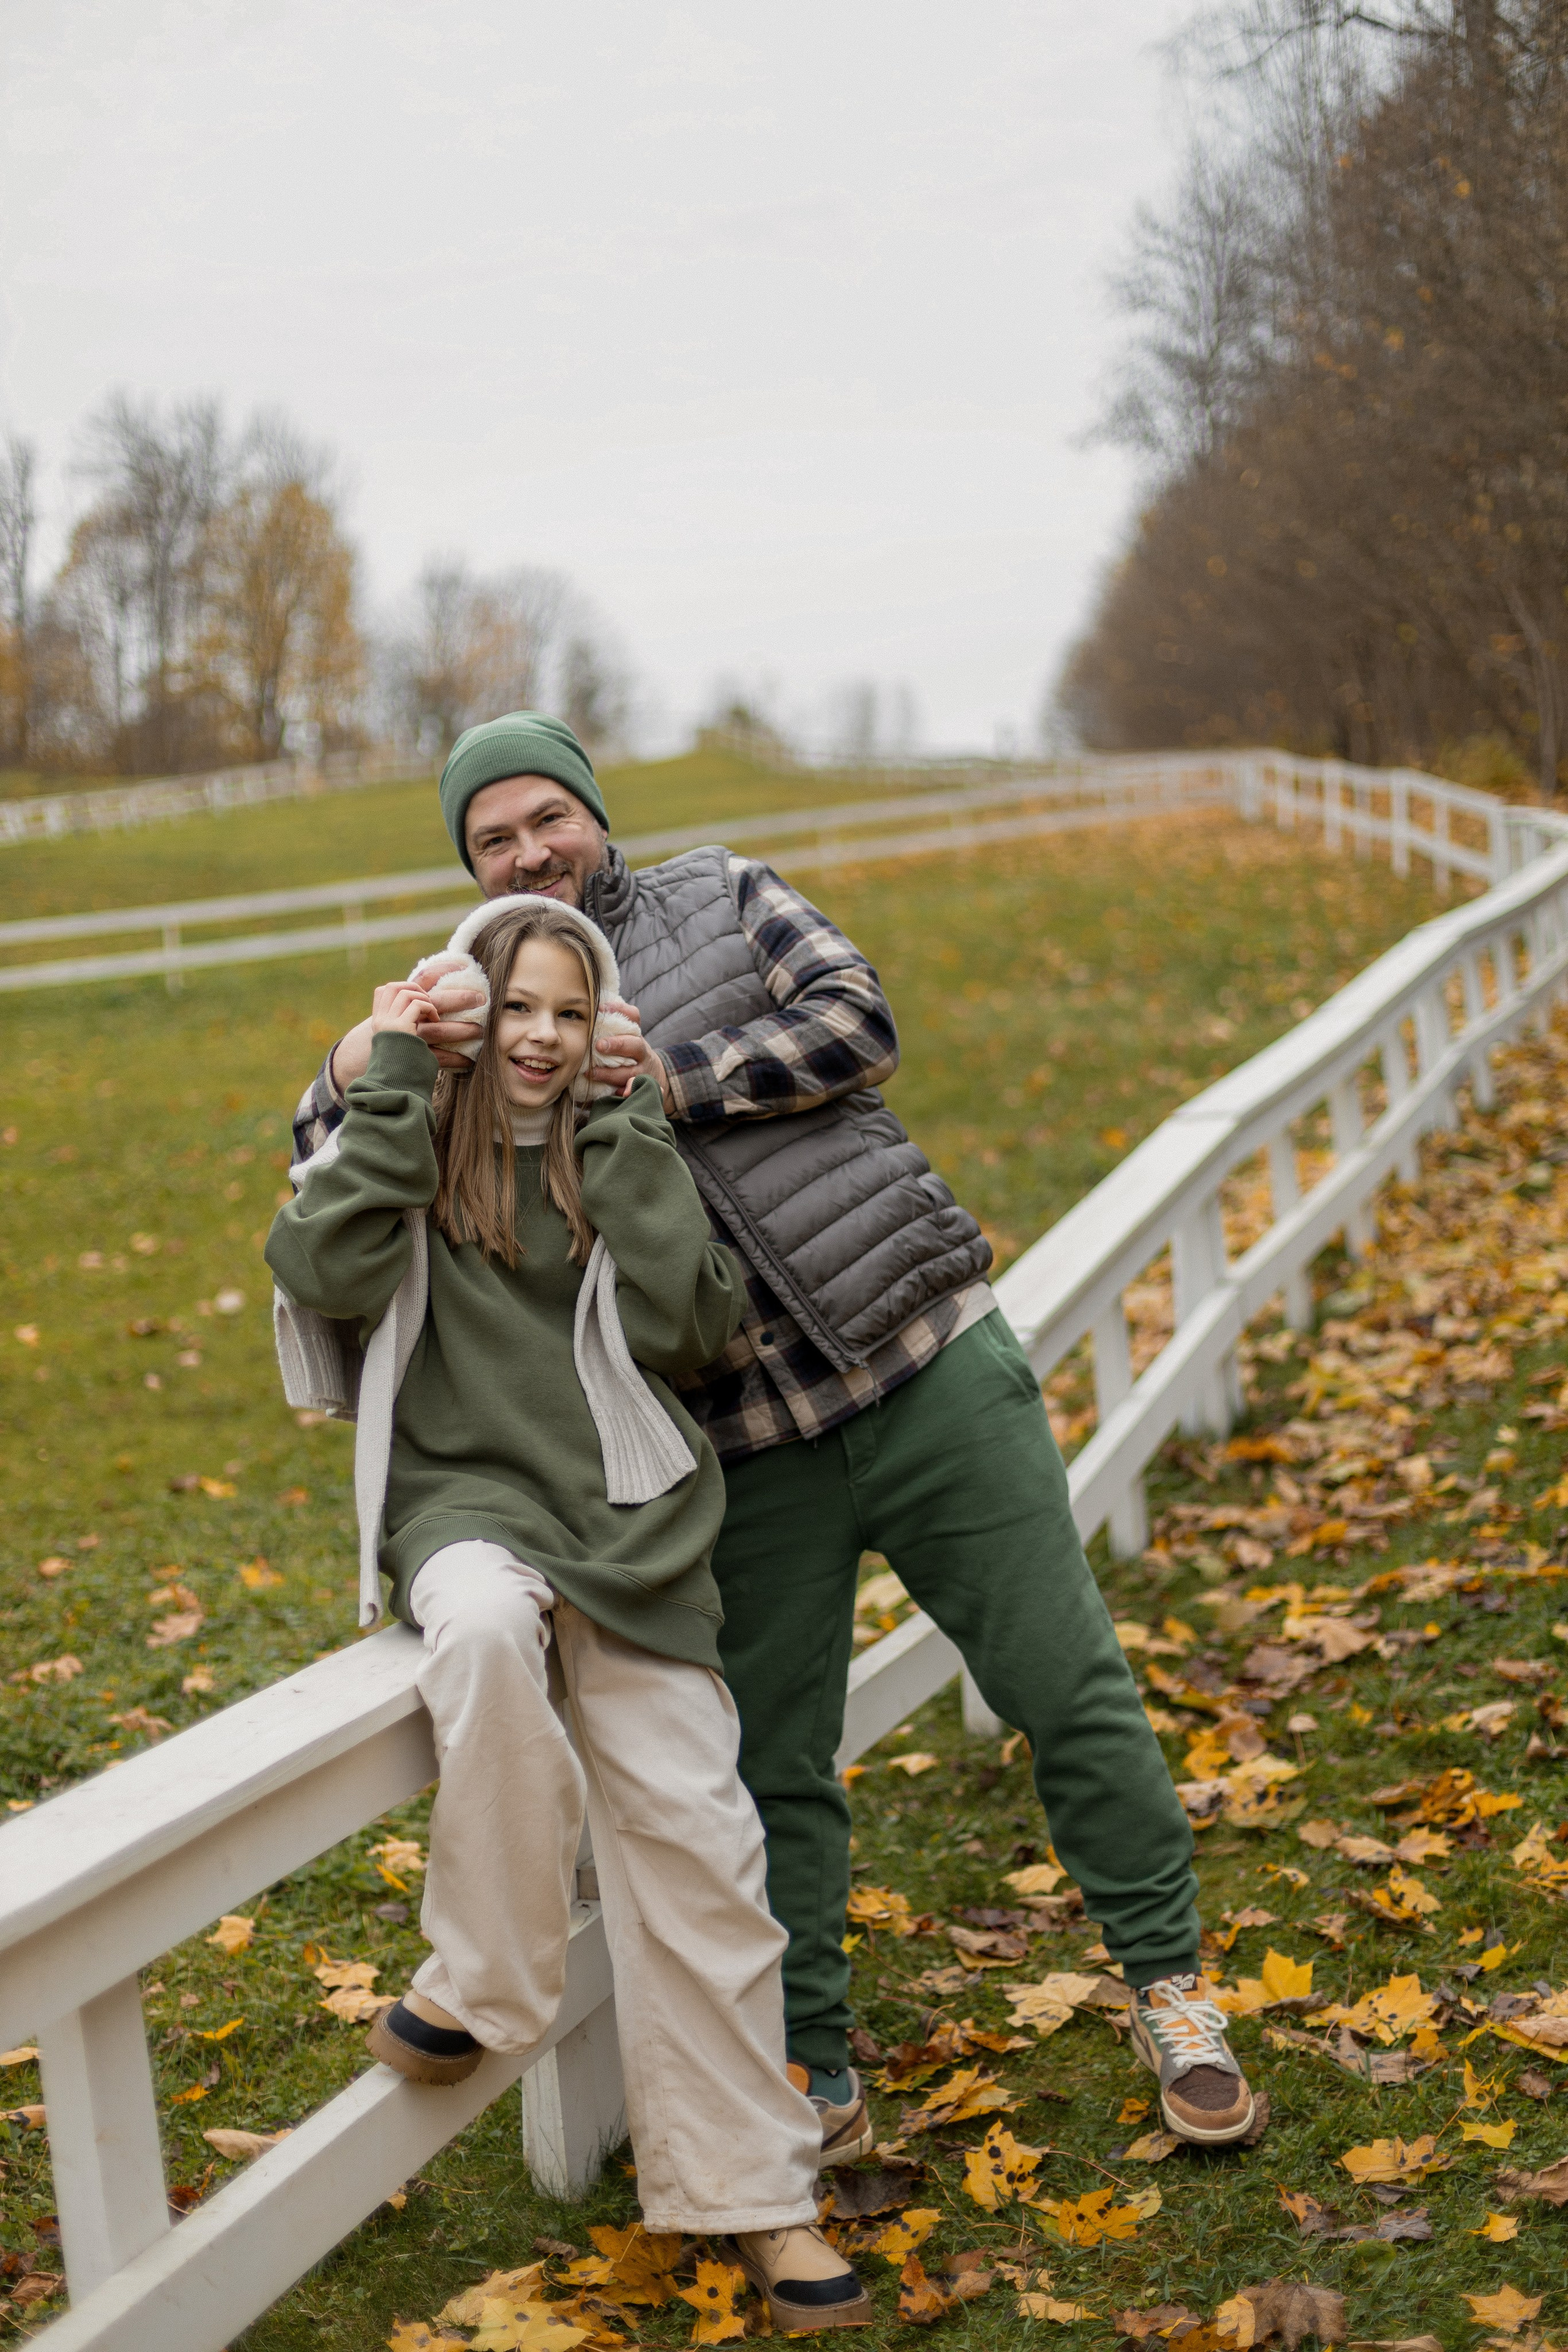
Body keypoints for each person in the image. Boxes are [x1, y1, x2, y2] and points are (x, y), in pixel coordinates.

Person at [295, 710, 1257, 2154]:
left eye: (545, 817)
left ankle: (1170, 1986)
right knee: (773, 1766)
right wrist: (364, 1050)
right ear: (469, 864)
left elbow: (856, 1023)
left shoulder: (721, 894)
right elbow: (326, 1165)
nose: (528, 851)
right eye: (491, 838)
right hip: (738, 1440)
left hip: (925, 1361)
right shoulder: (492, 995)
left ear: (592, 816)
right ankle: (812, 2060)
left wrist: (655, 1082)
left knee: (1065, 1684)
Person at [268, 894, 872, 2332]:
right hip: (465, 1509)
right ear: (474, 1008)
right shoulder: (417, 1126)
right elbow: (321, 1273)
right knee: (477, 1637)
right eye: (514, 1007)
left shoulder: (617, 1142)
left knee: (705, 1854)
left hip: (634, 1521)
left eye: (566, 1010)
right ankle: (488, 1976)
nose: (537, 1038)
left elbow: (692, 1330)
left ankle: (758, 2201)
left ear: (597, 1024)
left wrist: (629, 1139)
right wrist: (399, 1079)